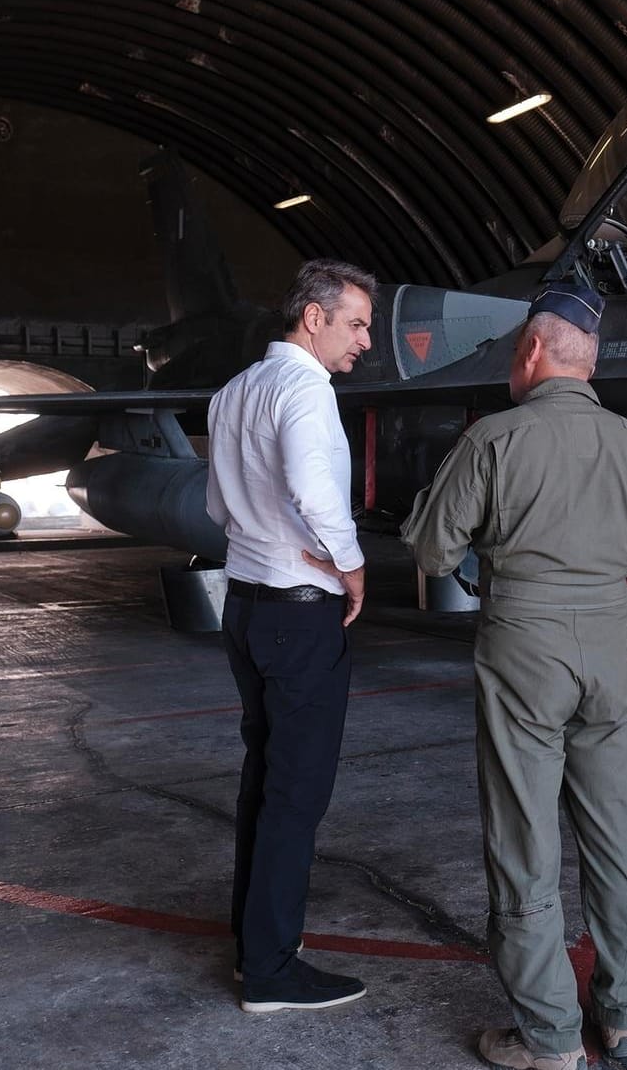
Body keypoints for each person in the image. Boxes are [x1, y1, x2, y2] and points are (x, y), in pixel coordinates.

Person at [401, 282, 627, 1070]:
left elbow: (430, 552)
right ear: (589, 361)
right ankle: (624, 1015)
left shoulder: (495, 438)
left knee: (525, 836)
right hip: (612, 649)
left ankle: (551, 1036)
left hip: (524, 646)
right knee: (622, 834)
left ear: (530, 351)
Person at [205, 257, 376, 1013]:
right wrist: (353, 562)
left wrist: (270, 540)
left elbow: (216, 502)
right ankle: (271, 970)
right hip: (297, 610)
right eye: (357, 323)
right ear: (315, 317)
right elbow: (311, 489)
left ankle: (257, 944)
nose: (366, 340)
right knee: (296, 794)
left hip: (243, 603)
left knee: (263, 778)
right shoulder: (306, 391)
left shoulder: (234, 390)